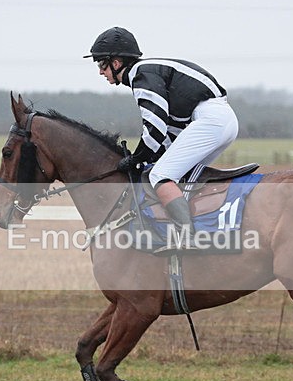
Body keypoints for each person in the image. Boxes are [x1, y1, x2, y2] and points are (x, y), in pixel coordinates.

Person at [84, 27, 239, 252]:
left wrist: (137, 158)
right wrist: (146, 157)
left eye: (101, 64)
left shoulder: (140, 75)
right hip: (218, 120)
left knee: (159, 175)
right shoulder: (148, 72)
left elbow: (155, 127)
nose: (100, 72)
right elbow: (170, 131)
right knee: (178, 176)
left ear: (116, 63)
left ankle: (186, 238)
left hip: (211, 121)